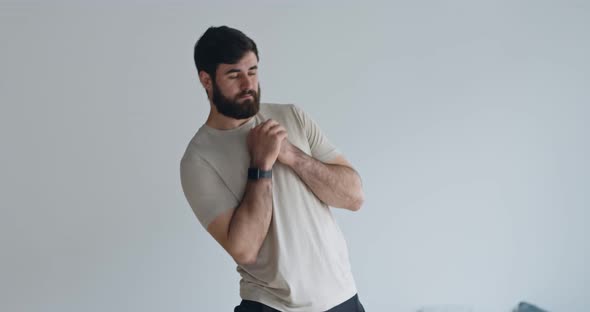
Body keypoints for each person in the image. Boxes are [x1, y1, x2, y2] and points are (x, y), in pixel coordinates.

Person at [180, 25, 366, 312]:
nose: (248, 84)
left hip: (342, 298)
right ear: (206, 80)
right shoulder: (198, 160)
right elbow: (244, 248)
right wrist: (261, 165)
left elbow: (353, 197)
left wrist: (293, 155)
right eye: (234, 74)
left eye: (252, 71)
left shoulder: (291, 116)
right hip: (271, 306)